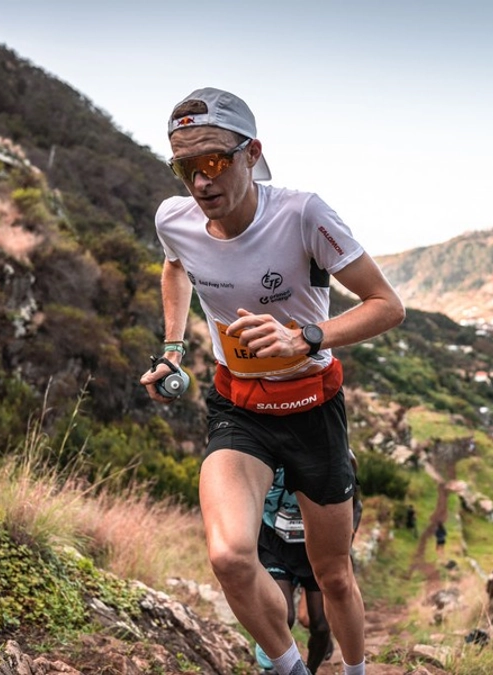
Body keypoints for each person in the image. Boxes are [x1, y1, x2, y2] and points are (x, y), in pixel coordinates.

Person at [141, 87, 404, 675]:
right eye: (185, 167)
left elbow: (387, 305)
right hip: (240, 408)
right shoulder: (174, 219)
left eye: (213, 161)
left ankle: (355, 671)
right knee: (230, 556)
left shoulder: (302, 212)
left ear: (251, 153)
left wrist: (306, 336)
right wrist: (174, 348)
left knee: (332, 575)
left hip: (314, 407)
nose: (200, 181)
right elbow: (176, 265)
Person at [255, 460, 363, 674]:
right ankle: (270, 668)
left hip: (315, 548)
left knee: (320, 626)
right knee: (284, 615)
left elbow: (352, 505)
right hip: (275, 544)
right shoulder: (272, 454)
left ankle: (309, 670)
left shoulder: (334, 457)